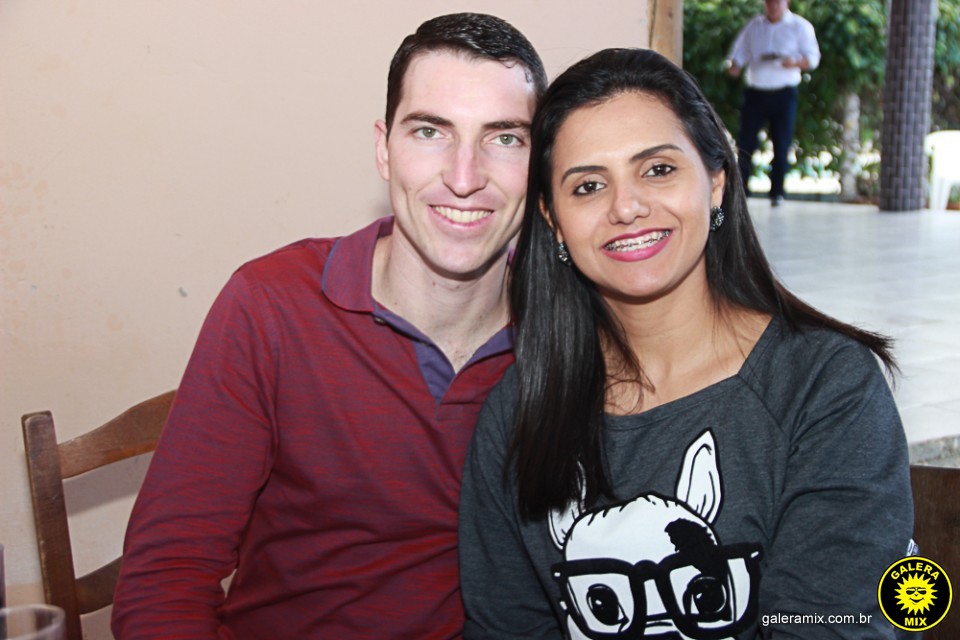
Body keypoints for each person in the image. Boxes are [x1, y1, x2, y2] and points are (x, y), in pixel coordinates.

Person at [111, 13, 546, 639]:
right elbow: (166, 576)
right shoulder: (272, 304)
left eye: (504, 139)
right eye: (430, 131)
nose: (463, 176)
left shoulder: (572, 332)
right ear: (384, 149)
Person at [459, 48, 913, 639]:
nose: (627, 208)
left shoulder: (826, 390)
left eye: (657, 170)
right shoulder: (519, 413)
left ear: (716, 182)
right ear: (553, 220)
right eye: (589, 185)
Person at [726, 0, 820, 206]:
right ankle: (741, 193)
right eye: (769, 1)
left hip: (784, 93)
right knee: (746, 142)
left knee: (781, 142)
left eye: (777, 1)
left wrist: (794, 62)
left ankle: (777, 193)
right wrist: (733, 66)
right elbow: (738, 54)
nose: (773, 5)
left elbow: (813, 58)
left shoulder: (800, 26)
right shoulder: (754, 26)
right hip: (755, 92)